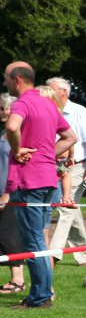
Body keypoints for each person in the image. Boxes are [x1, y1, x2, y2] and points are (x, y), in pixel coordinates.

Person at [4, 61, 76, 309]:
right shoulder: (48, 103)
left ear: (16, 80)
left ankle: (41, 297)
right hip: (47, 179)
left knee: (33, 241)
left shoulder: (22, 103)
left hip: (30, 180)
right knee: (37, 240)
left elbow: (11, 126)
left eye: (5, 78)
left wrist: (17, 149)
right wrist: (47, 156)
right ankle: (42, 294)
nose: (4, 83)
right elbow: (70, 137)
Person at [45, 77, 86, 266]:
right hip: (52, 165)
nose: (46, 93)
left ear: (63, 92)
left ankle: (52, 254)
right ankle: (85, 256)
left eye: (50, 89)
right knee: (72, 209)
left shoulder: (79, 111)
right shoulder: (48, 110)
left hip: (76, 166)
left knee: (65, 207)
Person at [0, 93, 26, 295]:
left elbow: (17, 165)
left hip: (11, 192)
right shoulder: (4, 133)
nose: (1, 112)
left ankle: (19, 280)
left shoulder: (18, 133)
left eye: (4, 108)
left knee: (10, 235)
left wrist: (8, 193)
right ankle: (14, 278)